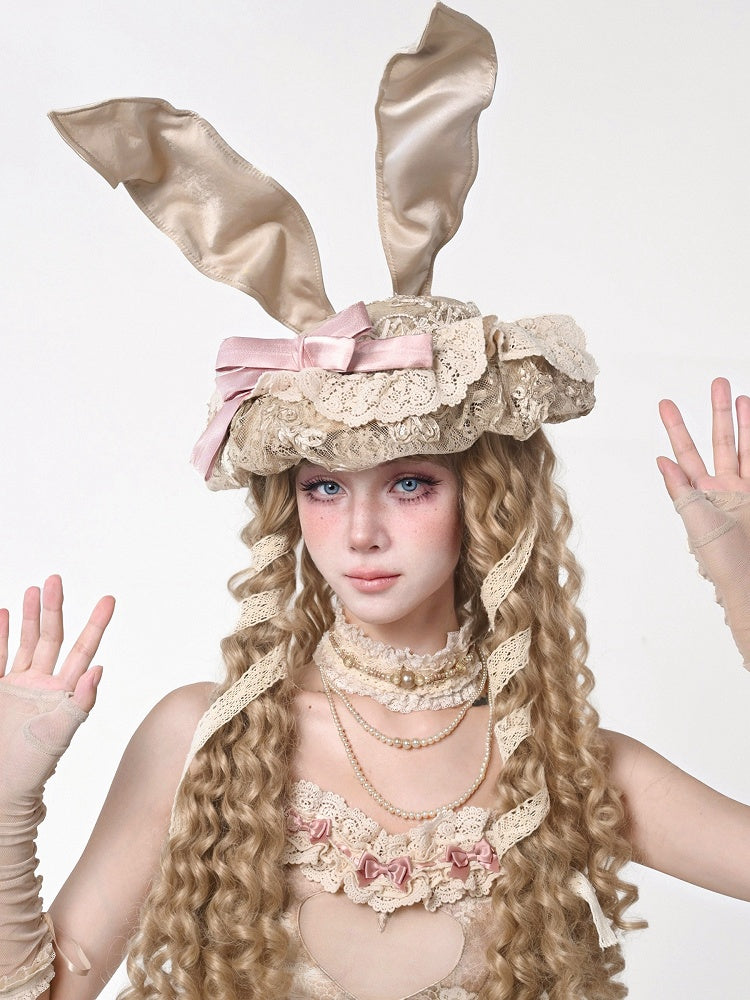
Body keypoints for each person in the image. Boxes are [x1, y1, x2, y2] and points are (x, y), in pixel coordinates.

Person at [2, 6, 749, 1000]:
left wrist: (741, 576)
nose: (359, 531)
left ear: (482, 499)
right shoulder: (207, 741)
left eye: (408, 483)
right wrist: (7, 801)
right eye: (324, 487)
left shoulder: (569, 770)